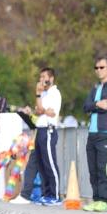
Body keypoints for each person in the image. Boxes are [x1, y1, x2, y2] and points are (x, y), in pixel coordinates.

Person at [83, 55, 107, 212]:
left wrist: (95, 105)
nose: (98, 70)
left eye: (102, 67)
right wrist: (97, 103)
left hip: (106, 133)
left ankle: (104, 200)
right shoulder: (95, 88)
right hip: (92, 134)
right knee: (92, 169)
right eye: (96, 68)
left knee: (102, 167)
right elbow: (85, 106)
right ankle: (96, 199)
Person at [34, 67, 62, 205]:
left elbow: (50, 113)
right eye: (40, 77)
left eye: (44, 77)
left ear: (51, 78)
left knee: (50, 162)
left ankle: (55, 194)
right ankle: (46, 194)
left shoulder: (54, 93)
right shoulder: (43, 94)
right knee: (42, 164)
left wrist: (42, 110)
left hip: (49, 130)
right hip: (40, 130)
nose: (41, 80)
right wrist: (38, 95)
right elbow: (38, 110)